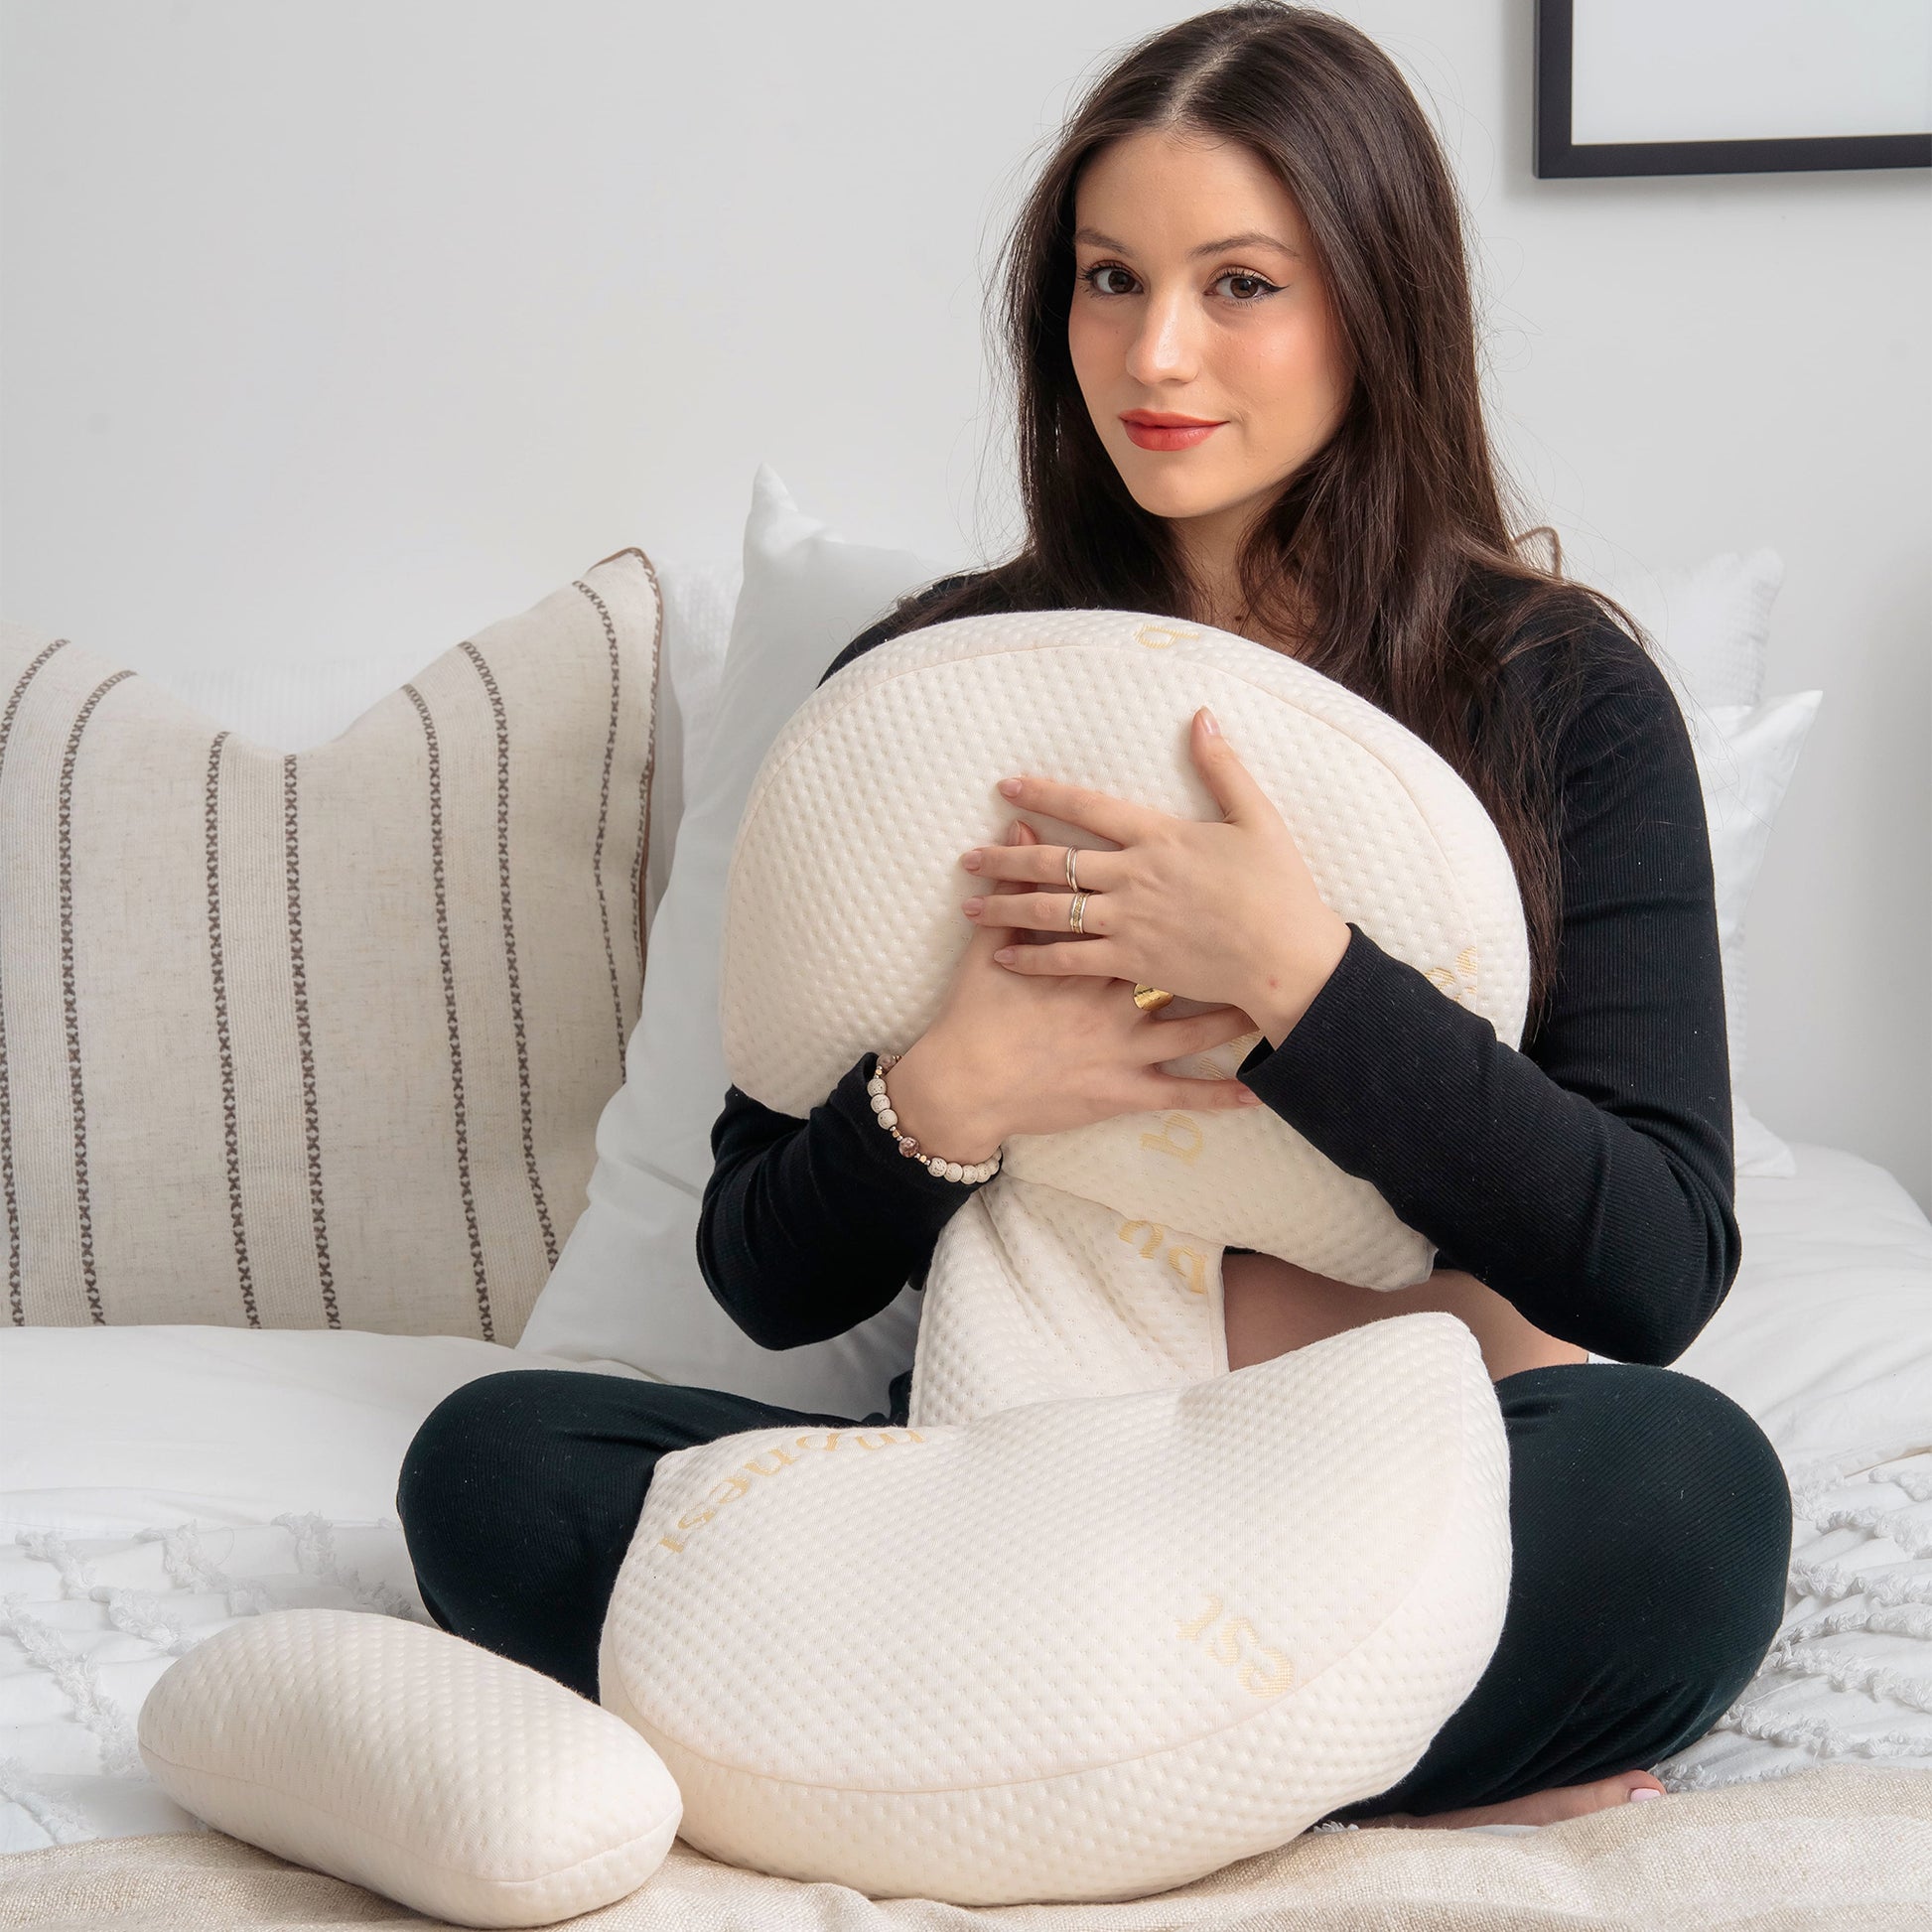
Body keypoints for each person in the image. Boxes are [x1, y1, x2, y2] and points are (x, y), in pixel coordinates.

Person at [397, 3, 1790, 1831]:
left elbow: (1656, 1262)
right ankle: (1292, 1774)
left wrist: (1299, 981)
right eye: (1108, 279)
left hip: (1359, 1486)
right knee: (492, 1468)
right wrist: (947, 1096)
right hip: (1003, 1482)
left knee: (1685, 1498)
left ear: (1375, 304)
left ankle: (928, 1775)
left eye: (1239, 285)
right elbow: (759, 1269)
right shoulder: (929, 683)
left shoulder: (1558, 692)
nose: (1154, 352)